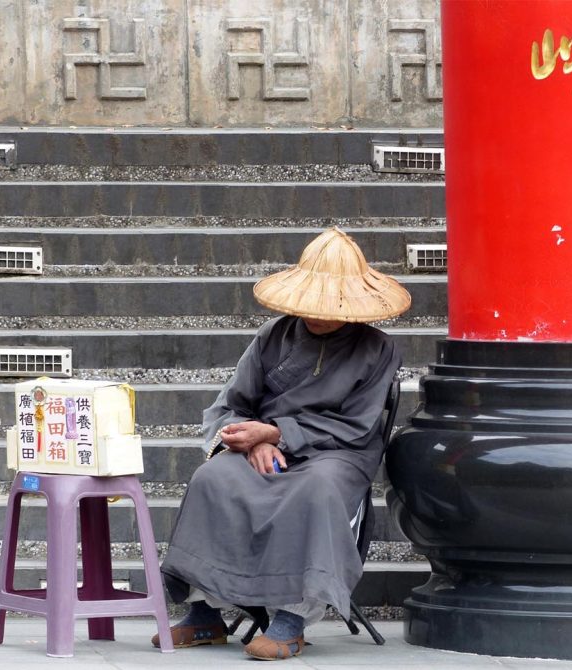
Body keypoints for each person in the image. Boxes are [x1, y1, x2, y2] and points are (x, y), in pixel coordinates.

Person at [153, 227, 411, 660]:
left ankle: (290, 618)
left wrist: (277, 434)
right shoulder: (273, 336)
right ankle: (204, 613)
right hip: (264, 445)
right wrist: (251, 441)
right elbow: (232, 406)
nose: (319, 314)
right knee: (212, 478)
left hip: (336, 454)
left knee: (315, 491)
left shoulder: (377, 349)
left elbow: (357, 426)